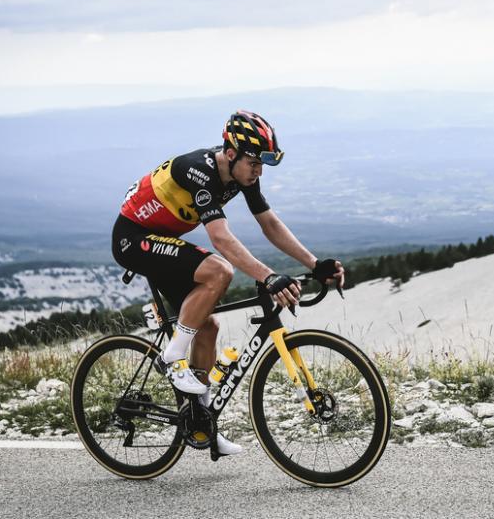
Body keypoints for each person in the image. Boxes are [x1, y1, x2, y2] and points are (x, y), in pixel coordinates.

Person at [111, 110, 345, 456]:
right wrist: (267, 276)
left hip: (164, 241)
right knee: (219, 271)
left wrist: (313, 262)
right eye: (254, 163)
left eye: (263, 164)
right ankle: (171, 358)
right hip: (134, 239)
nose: (259, 171)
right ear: (231, 153)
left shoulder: (242, 175)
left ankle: (201, 422)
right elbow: (220, 238)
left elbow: (269, 224)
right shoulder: (200, 171)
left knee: (207, 327)